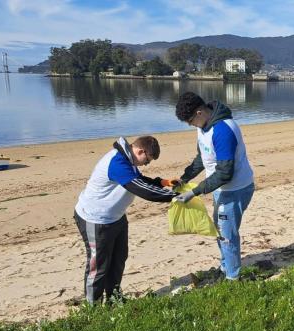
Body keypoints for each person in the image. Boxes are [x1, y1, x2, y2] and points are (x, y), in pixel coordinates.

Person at [74, 136, 176, 304]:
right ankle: (93, 307)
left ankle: (113, 298)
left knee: (118, 259)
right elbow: (141, 189)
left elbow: (140, 180)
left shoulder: (128, 159)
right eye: (147, 160)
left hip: (116, 217)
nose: (146, 164)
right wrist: (175, 197)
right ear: (141, 151)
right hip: (95, 219)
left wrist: (163, 182)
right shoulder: (117, 162)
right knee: (98, 265)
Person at [174, 92, 255, 281]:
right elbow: (202, 158)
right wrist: (184, 178)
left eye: (190, 120)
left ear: (200, 112)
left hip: (235, 189)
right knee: (220, 229)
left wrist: (194, 192)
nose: (190, 124)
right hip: (220, 188)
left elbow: (225, 173)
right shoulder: (202, 127)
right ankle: (225, 267)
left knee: (227, 234)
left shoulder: (223, 130)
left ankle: (233, 279)